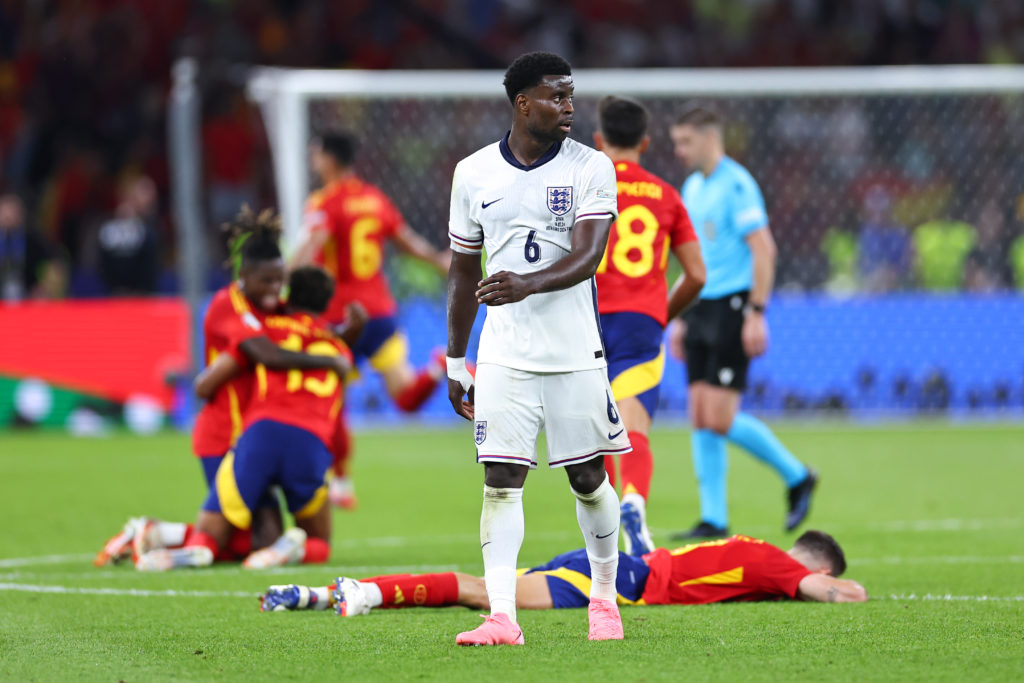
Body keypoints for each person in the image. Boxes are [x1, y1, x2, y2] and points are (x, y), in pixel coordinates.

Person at [445, 51, 627, 646]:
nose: (569, 106)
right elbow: (460, 271)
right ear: (523, 102)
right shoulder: (472, 173)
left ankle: (604, 597)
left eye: (572, 94)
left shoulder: (592, 167)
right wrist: (455, 359)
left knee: (587, 475)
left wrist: (525, 283)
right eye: (556, 95)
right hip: (503, 355)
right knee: (500, 479)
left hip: (575, 350)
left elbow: (588, 256)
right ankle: (502, 616)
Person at [95, 208, 356, 568]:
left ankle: (157, 534)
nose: (275, 292)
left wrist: (342, 333)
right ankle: (154, 532)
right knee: (239, 542)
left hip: (255, 434)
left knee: (259, 542)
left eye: (280, 282)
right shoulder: (227, 306)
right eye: (266, 281)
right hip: (224, 435)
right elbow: (263, 353)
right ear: (244, 276)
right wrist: (332, 360)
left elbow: (306, 333)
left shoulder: (270, 306)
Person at [136, 265, 352, 571]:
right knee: (320, 540)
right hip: (311, 441)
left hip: (261, 434)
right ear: (328, 305)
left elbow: (207, 382)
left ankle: (197, 549)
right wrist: (340, 467)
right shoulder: (340, 351)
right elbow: (340, 418)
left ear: (287, 297)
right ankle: (296, 549)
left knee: (212, 529)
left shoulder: (267, 331)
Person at [667, 107, 817, 540]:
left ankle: (797, 475)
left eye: (685, 142)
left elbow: (763, 250)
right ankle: (713, 517)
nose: (679, 151)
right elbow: (693, 258)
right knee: (699, 413)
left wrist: (756, 311)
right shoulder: (693, 187)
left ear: (709, 138)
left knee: (720, 416)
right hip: (699, 306)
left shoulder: (737, 184)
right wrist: (679, 315)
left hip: (733, 305)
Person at [290, 131, 452, 510]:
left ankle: (341, 482)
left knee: (329, 400)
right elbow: (408, 241)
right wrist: (440, 262)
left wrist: (283, 279)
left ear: (329, 159)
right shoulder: (374, 200)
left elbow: (311, 243)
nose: (315, 162)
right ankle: (438, 367)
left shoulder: (324, 203)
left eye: (316, 156)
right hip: (380, 312)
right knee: (405, 398)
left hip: (340, 319)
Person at [591, 95, 705, 556]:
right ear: (646, 142)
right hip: (640, 322)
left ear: (598, 141)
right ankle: (634, 499)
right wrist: (662, 314)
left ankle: (599, 530)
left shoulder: (584, 189)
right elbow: (696, 274)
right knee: (633, 425)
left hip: (586, 316)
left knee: (590, 427)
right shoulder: (666, 194)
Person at [258, 530, 867, 614]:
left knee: (483, 587)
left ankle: (324, 593)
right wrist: (846, 588)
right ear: (812, 560)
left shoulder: (755, 549)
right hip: (613, 581)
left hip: (603, 563)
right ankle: (359, 592)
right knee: (478, 593)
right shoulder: (781, 566)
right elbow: (826, 592)